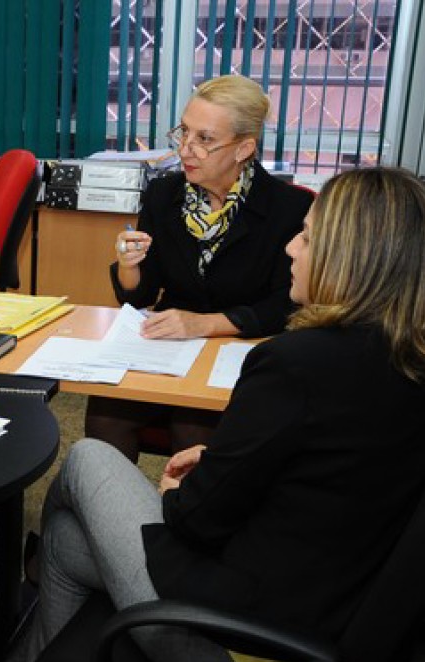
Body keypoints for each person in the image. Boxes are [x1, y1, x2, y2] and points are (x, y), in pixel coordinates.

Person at [23, 167, 425, 662]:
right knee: (66, 542)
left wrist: (179, 490)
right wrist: (226, 459)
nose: (291, 248)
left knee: (89, 457)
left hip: (240, 647)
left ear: (351, 258)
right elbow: (335, 464)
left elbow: (195, 521)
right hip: (332, 616)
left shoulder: (295, 364)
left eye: (306, 238)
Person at [86, 74, 314, 462]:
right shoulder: (164, 195)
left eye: (204, 139)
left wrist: (204, 324)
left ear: (244, 148)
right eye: (184, 132)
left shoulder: (289, 208)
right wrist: (129, 266)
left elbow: (287, 307)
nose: (185, 149)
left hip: (242, 352)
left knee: (193, 427)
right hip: (170, 347)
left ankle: (188, 503)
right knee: (106, 413)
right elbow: (141, 295)